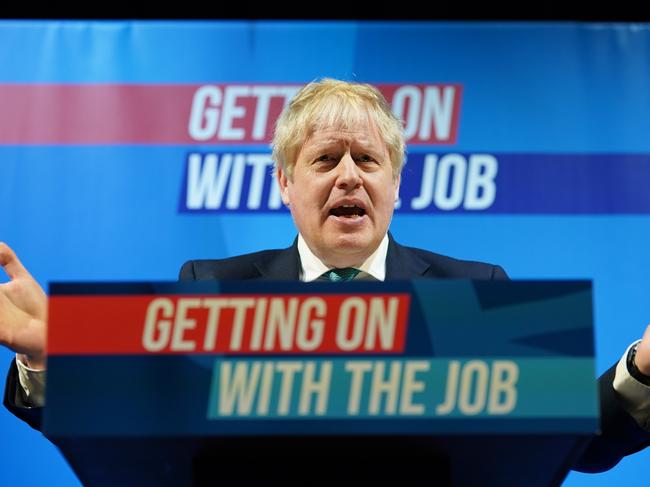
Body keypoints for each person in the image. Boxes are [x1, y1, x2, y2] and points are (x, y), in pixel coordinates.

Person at [2, 78, 650, 474]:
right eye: (325, 158)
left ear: (395, 183)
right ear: (286, 183)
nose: (349, 176)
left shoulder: (475, 290)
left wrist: (641, 371)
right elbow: (138, 421)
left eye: (368, 158)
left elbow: (569, 442)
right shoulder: (211, 285)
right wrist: (50, 355)